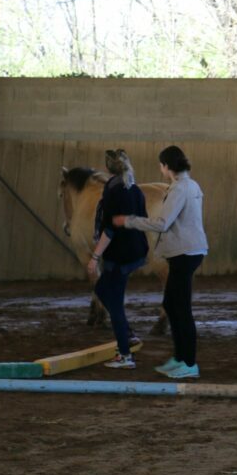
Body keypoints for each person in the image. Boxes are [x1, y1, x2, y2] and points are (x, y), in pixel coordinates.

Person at [114, 146, 208, 380]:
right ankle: (180, 358)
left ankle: (189, 362)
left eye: (161, 164)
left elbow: (162, 223)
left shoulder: (179, 189)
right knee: (172, 304)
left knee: (181, 309)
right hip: (188, 251)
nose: (160, 168)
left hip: (184, 253)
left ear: (167, 166)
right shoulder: (192, 185)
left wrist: (130, 221)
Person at [87, 149, 149, 369]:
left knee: (109, 295)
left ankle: (125, 354)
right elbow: (143, 220)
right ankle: (127, 335)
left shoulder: (112, 190)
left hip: (119, 255)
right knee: (108, 293)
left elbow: (109, 230)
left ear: (108, 168)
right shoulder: (136, 189)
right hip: (136, 251)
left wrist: (95, 257)